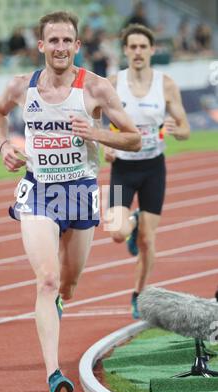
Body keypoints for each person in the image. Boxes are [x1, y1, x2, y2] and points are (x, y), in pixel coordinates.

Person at [0, 11, 141, 392]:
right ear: (41, 45)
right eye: (52, 40)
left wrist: (96, 133)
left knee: (69, 286)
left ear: (77, 45)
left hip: (80, 191)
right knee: (47, 279)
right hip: (38, 191)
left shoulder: (96, 88)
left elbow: (135, 139)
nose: (59, 47)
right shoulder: (23, 86)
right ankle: (54, 373)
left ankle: (60, 299)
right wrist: (5, 145)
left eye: (66, 41)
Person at [105, 24, 190, 320]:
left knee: (147, 240)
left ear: (152, 50)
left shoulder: (165, 84)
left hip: (154, 168)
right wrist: (106, 144)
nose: (138, 52)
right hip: (121, 169)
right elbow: (92, 119)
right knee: (116, 232)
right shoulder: (113, 83)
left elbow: (185, 128)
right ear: (125, 50)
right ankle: (133, 219)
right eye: (133, 47)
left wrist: (175, 129)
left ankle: (139, 297)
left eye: (143, 47)